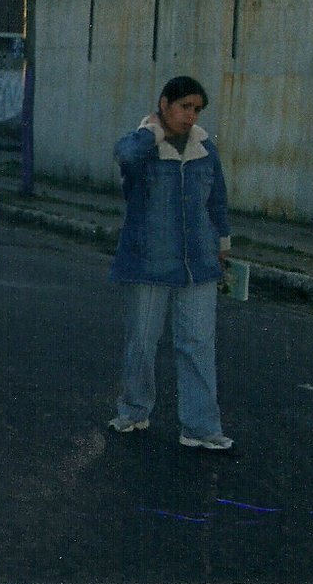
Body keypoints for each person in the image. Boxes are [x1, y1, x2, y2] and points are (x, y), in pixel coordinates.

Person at [108, 75, 234, 452]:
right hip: (148, 263)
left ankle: (200, 427)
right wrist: (152, 132)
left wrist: (222, 240)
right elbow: (124, 156)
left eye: (196, 109)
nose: (190, 116)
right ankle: (133, 411)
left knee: (198, 345)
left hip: (198, 263)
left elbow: (218, 199)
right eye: (184, 107)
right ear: (164, 104)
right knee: (142, 343)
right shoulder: (142, 147)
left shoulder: (205, 149)